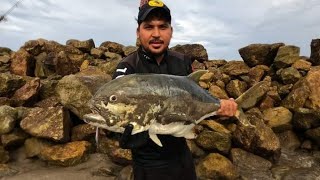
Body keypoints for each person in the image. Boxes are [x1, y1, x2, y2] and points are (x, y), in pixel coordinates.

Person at [112, 1, 238, 179]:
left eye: (163, 27)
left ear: (171, 31)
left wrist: (221, 109)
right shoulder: (127, 68)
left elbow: (197, 99)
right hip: (148, 164)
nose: (156, 34)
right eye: (149, 27)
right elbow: (114, 115)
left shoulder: (182, 61)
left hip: (183, 159)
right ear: (138, 32)